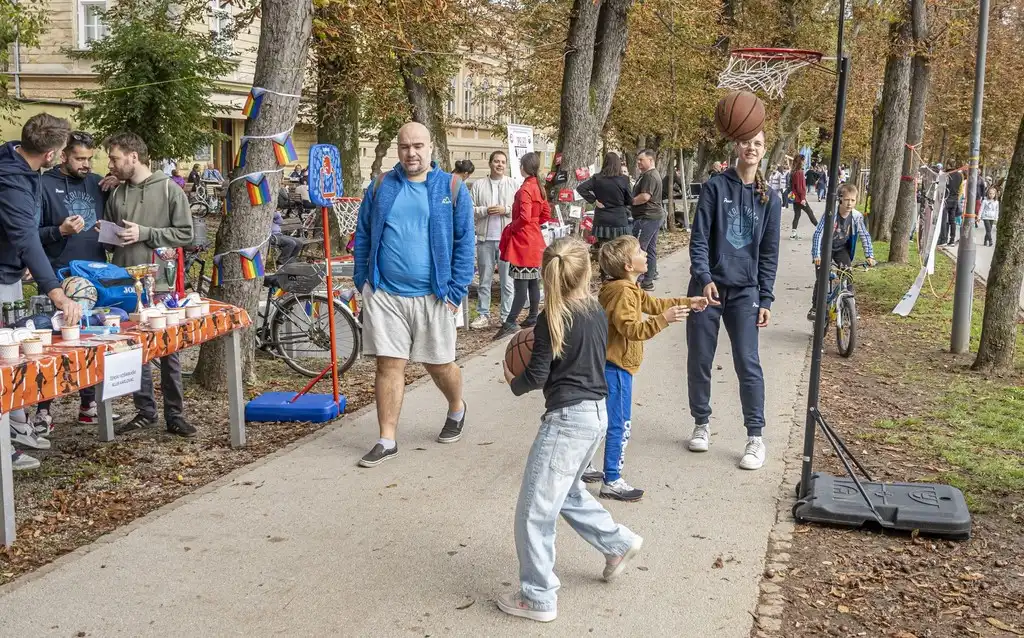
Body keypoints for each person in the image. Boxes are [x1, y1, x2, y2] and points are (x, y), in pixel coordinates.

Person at [497, 237, 643, 624]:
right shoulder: (594, 309)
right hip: (597, 416)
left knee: (534, 511)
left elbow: (537, 374)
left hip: (568, 422)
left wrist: (514, 378)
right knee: (567, 492)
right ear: (588, 270)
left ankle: (538, 596)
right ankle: (617, 544)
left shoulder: (553, 316)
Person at [352, 121, 474, 467]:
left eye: (418, 146)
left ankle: (456, 407)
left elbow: (465, 242)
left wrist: (455, 291)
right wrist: (364, 280)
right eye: (405, 147)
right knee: (389, 365)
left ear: (430, 148)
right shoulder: (380, 186)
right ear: (398, 149)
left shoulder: (449, 187)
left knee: (439, 365)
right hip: (386, 294)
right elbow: (363, 235)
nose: (412, 153)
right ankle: (386, 438)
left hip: (435, 294)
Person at [580, 235, 706, 501]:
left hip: (610, 365)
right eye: (639, 251)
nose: (645, 253)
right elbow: (631, 329)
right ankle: (611, 480)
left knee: (600, 422)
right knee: (619, 424)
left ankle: (583, 466)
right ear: (628, 265)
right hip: (616, 368)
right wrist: (663, 321)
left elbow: (654, 304)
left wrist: (687, 302)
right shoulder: (623, 293)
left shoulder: (627, 288)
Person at [686, 129, 781, 471]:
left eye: (758, 143)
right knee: (700, 357)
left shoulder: (770, 197)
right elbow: (698, 240)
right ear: (736, 146)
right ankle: (701, 422)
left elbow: (769, 253)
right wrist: (705, 277)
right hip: (706, 287)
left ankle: (755, 437)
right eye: (746, 142)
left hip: (745, 291)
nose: (751, 148)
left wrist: (766, 297)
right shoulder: (715, 187)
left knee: (747, 361)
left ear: (764, 149)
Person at [0, 113, 84, 470]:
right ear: (51, 154)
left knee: (11, 356)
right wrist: (58, 293)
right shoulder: (13, 182)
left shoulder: (14, 161)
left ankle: (14, 431)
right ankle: (7, 448)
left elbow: (22, 236)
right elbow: (24, 236)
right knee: (5, 361)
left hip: (10, 273)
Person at [103, 132, 196, 438]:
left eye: (115, 158)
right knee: (135, 349)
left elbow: (185, 235)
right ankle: (145, 411)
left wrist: (145, 233)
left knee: (168, 348)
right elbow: (111, 236)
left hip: (162, 282)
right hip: (124, 283)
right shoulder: (116, 193)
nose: (111, 164)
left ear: (133, 156)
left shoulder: (170, 189)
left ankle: (175, 413)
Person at [34, 130, 116, 434]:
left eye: (90, 158)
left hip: (94, 274)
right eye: (79, 158)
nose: (86, 164)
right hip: (56, 276)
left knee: (91, 340)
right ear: (63, 155)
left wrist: (116, 182)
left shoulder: (97, 183)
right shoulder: (43, 184)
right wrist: (60, 230)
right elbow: (31, 234)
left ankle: (88, 405)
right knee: (54, 345)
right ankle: (43, 411)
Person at [494, 152, 549, 340]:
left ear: (524, 167)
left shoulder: (525, 189)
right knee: (533, 281)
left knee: (520, 284)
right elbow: (546, 213)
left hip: (523, 242)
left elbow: (524, 217)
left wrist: (513, 227)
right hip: (535, 239)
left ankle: (510, 321)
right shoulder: (539, 187)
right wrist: (535, 222)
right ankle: (533, 316)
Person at [807, 183, 876, 321]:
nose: (849, 203)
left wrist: (869, 255)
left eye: (853, 200)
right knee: (822, 278)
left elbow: (864, 235)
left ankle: (849, 307)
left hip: (841, 248)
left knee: (848, 274)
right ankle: (815, 307)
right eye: (846, 200)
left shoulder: (856, 216)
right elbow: (818, 233)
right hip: (825, 248)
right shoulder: (830, 214)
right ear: (840, 199)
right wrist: (816, 254)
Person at [468, 150, 516, 329]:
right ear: (490, 163)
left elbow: (519, 209)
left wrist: (506, 210)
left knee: (507, 281)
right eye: (496, 161)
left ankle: (506, 317)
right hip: (485, 239)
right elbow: (470, 209)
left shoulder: (513, 184)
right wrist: (485, 210)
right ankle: (483, 315)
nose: (500, 165)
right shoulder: (479, 185)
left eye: (503, 162)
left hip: (506, 239)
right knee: (484, 280)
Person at [576, 152, 632, 247]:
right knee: (620, 249)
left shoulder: (597, 178)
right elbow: (630, 200)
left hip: (602, 218)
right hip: (619, 218)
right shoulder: (624, 179)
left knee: (604, 248)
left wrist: (594, 200)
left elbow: (580, 188)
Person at [631, 149, 664, 291]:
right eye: (638, 160)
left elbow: (645, 196)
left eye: (641, 160)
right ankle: (649, 277)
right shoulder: (646, 175)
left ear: (650, 160)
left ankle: (639, 278)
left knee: (639, 248)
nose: (638, 163)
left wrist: (631, 202)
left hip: (647, 216)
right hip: (651, 216)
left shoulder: (649, 176)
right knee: (650, 248)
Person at [789, 155, 817, 239]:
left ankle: (793, 234)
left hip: (795, 198)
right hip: (800, 198)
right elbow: (800, 187)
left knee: (797, 215)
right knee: (810, 213)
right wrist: (802, 198)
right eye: (803, 160)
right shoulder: (799, 172)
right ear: (800, 161)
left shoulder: (793, 172)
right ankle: (821, 230)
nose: (804, 162)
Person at [939, 163, 964, 246]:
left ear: (948, 165)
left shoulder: (945, 175)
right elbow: (960, 188)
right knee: (952, 221)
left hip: (946, 199)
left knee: (943, 219)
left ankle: (943, 239)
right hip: (955, 199)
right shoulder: (960, 176)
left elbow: (941, 187)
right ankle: (952, 239)